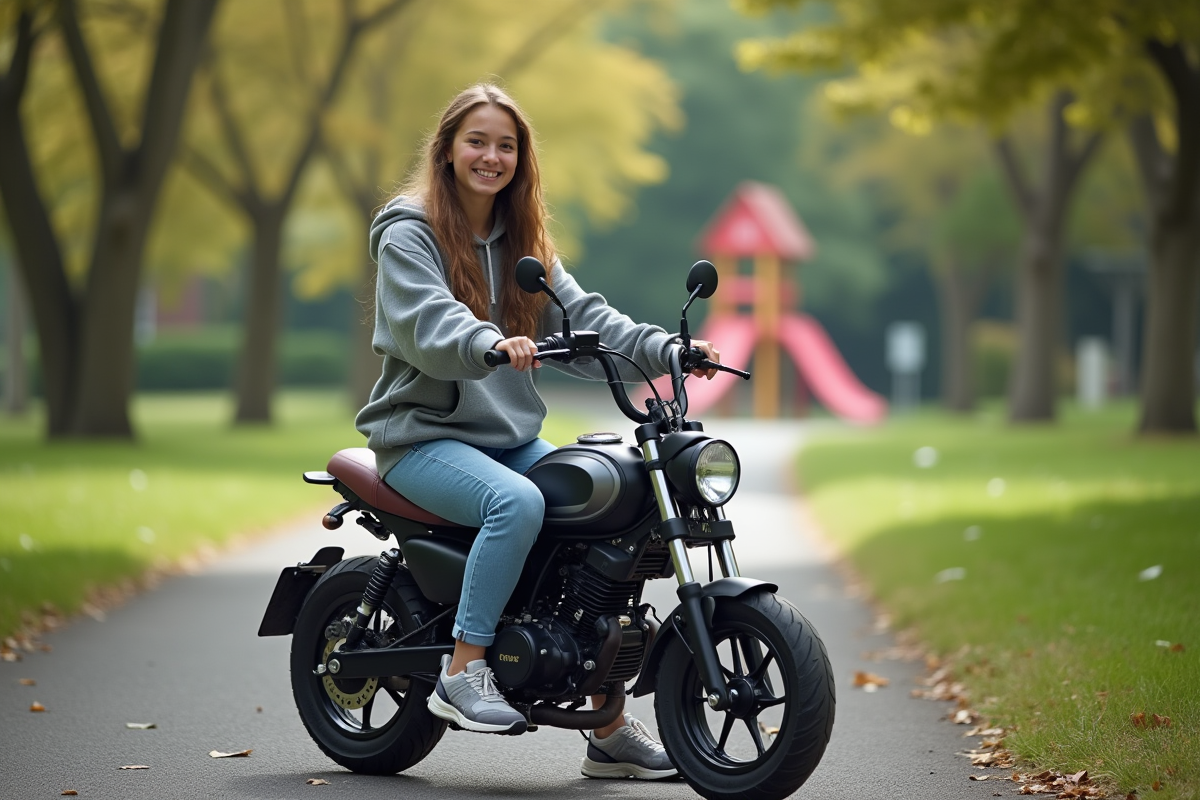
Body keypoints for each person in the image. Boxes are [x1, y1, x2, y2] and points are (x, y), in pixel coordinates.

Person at [355, 83, 720, 781]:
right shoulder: (408, 233)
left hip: (510, 439)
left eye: (506, 146)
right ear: (447, 150)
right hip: (421, 437)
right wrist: (489, 342)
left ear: (521, 160)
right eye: (477, 141)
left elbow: (589, 320)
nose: (491, 157)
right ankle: (463, 669)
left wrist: (667, 350)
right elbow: (428, 322)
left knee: (605, 503)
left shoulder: (525, 243)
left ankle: (605, 726)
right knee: (516, 503)